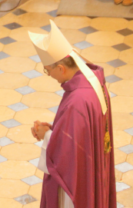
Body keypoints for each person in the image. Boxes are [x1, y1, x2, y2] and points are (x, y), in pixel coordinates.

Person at [28, 21, 116, 208]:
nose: (49, 75)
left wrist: (46, 136)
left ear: (61, 68)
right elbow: (82, 135)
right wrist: (55, 130)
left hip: (76, 183)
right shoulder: (93, 81)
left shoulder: (77, 101)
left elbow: (67, 154)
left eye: (48, 70)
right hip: (92, 167)